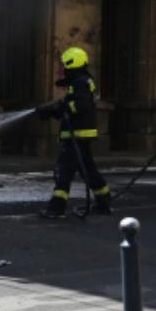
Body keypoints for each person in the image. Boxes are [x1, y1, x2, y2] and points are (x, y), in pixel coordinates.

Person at [35, 46, 111, 218]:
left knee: (65, 171)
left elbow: (80, 105)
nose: (61, 69)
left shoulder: (80, 82)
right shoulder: (81, 80)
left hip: (77, 134)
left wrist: (60, 108)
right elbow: (71, 104)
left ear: (72, 63)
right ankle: (103, 199)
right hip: (79, 134)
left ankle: (56, 208)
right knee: (87, 170)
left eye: (64, 65)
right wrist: (52, 111)